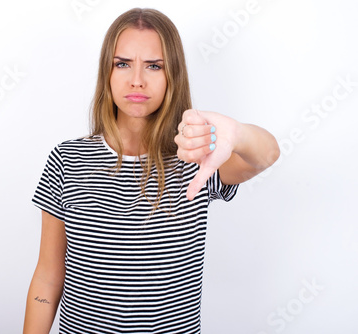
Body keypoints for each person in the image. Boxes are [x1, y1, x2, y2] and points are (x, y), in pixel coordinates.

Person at [23, 7, 280, 334]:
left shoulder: (198, 158)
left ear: (172, 73)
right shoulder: (68, 159)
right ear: (107, 72)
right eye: (123, 63)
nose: (137, 80)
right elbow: (47, 275)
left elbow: (267, 154)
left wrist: (238, 134)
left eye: (154, 66)